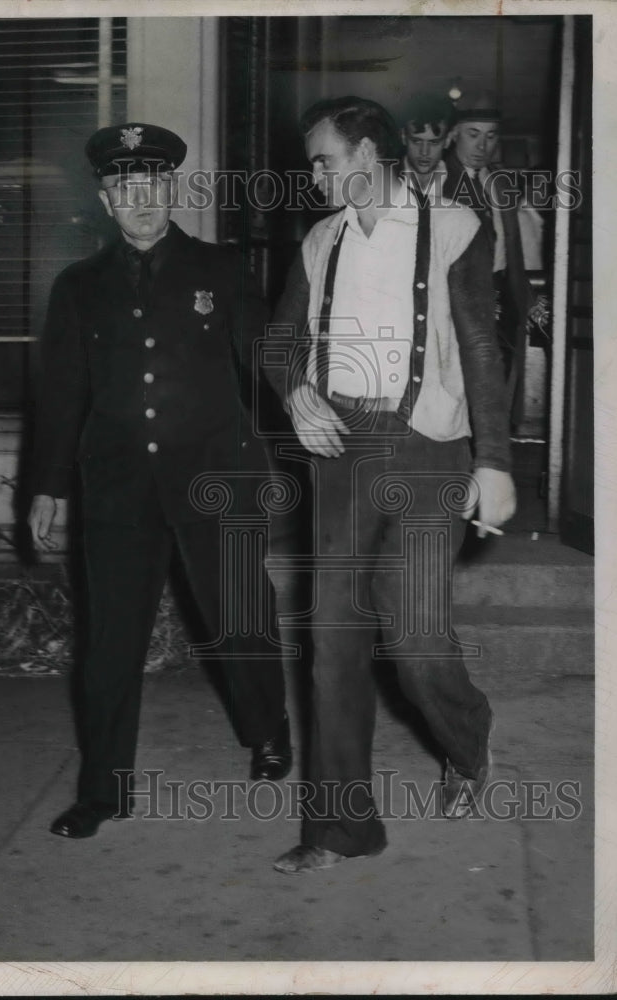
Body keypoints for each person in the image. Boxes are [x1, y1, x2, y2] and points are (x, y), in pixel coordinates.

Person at [266, 96, 516, 874]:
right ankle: (340, 830)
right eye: (313, 161)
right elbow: (278, 340)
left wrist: (496, 461)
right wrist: (295, 390)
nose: (314, 174)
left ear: (368, 155)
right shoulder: (320, 241)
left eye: (325, 159)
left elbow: (480, 342)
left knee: (413, 640)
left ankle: (467, 744)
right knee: (333, 648)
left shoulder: (453, 229)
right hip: (341, 450)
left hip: (426, 447)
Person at [28, 122, 291, 840]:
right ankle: (104, 788)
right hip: (116, 485)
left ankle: (268, 730)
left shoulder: (223, 268)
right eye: (125, 188)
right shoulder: (79, 286)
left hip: (217, 474)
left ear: (172, 191)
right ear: (106, 201)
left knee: (242, 618)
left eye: (153, 186)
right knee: (110, 640)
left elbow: (265, 358)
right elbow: (61, 392)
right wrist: (47, 484)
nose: (141, 200)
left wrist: (300, 431)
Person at [443, 90, 532, 425]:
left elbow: (514, 248)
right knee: (460, 386)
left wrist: (521, 297)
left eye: (491, 136)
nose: (483, 146)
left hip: (500, 295)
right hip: (457, 297)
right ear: (453, 135)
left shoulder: (501, 182)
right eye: (473, 134)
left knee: (498, 379)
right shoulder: (434, 181)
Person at [398, 92, 455, 198]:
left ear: (447, 140)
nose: (424, 152)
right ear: (403, 136)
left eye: (434, 142)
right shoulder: (385, 178)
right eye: (416, 141)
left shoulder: (461, 182)